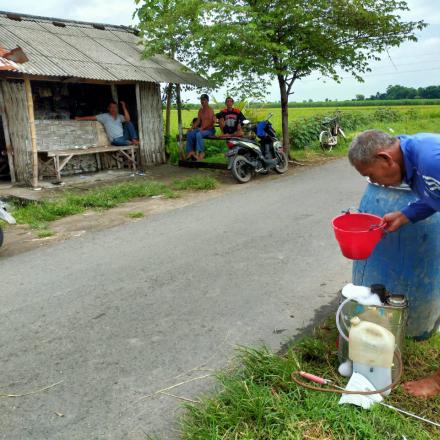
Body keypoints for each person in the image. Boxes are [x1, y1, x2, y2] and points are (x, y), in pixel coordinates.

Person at [348, 129, 440, 398]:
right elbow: (435, 196)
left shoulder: (432, 161)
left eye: (370, 174)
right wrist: (406, 214)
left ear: (385, 158)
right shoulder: (412, 157)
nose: (376, 181)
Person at [75, 101, 139, 146]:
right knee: (117, 141)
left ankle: (133, 140)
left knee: (129, 123)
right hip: (115, 140)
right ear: (108, 108)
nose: (114, 109)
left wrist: (124, 107)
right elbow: (92, 117)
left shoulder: (120, 116)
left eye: (115, 107)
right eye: (112, 107)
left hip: (124, 136)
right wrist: (79, 118)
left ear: (117, 108)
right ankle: (129, 143)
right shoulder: (104, 116)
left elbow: (128, 119)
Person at [186, 94, 215, 161]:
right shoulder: (200, 110)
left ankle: (201, 153)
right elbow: (198, 121)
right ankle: (191, 152)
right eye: (201, 100)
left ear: (207, 101)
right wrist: (192, 128)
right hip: (202, 129)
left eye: (204, 100)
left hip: (210, 130)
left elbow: (211, 122)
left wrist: (202, 128)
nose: (202, 101)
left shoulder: (210, 110)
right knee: (190, 134)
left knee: (198, 134)